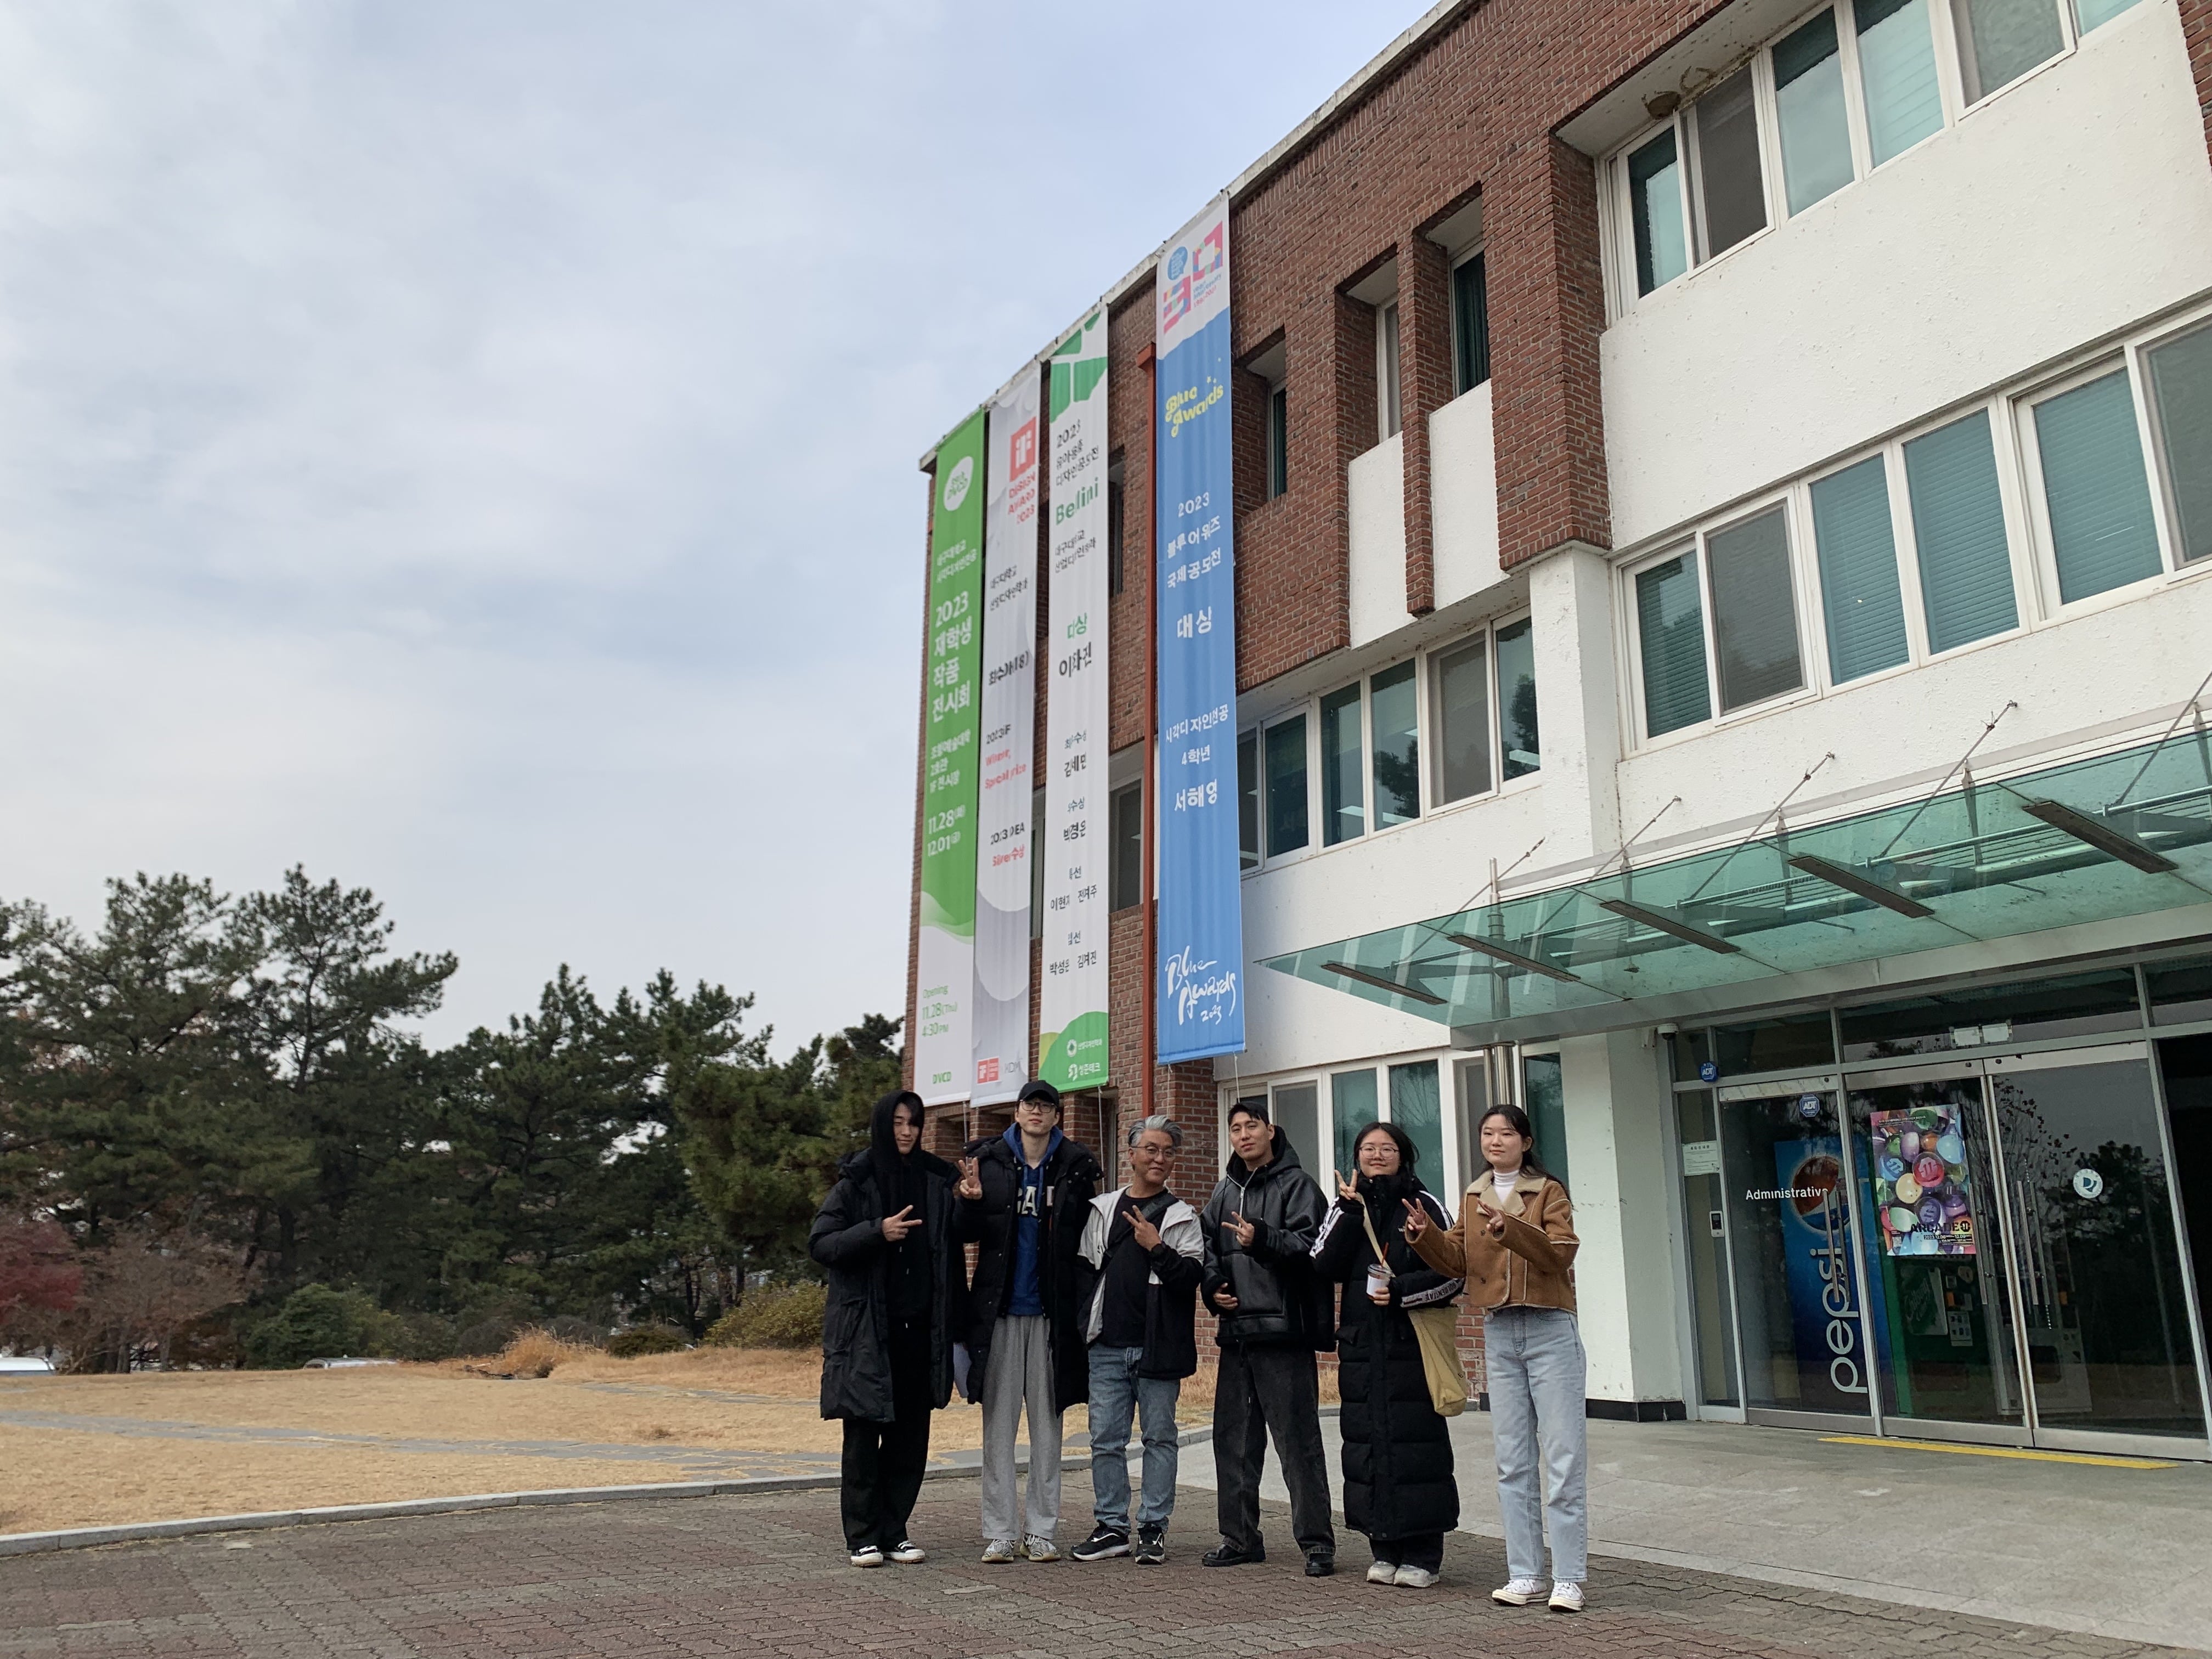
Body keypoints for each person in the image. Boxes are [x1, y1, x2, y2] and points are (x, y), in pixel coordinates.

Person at [1403, 1101, 1586, 1613]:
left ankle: (1569, 1577)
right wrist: (1425, 1235)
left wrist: (1511, 1228)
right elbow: (1457, 1260)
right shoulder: (1474, 1194)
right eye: (1488, 1134)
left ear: (1526, 1142)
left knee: (1564, 1459)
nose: (1495, 1142)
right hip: (1500, 1331)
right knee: (1512, 1461)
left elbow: (1561, 1252)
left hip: (1550, 1327)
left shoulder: (1548, 1191)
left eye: (1506, 1134)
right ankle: (1525, 1573)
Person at [808, 1089, 964, 1568]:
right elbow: (822, 1243)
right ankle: (862, 1536)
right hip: (867, 1334)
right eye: (898, 1122)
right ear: (882, 1125)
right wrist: (877, 1231)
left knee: (910, 1439)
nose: (906, 1132)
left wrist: (973, 1202)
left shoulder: (937, 1179)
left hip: (921, 1331)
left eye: (913, 1123)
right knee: (863, 1437)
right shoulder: (856, 1181)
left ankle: (895, 1531)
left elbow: (962, 1236)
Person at [953, 1078, 1103, 1564]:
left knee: (1048, 1428)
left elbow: (1088, 1244)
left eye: (1046, 1105)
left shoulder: (1076, 1167)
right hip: (998, 1313)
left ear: (1057, 1115)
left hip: (1051, 1317)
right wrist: (968, 1200)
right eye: (1028, 1104)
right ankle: (1000, 1531)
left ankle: (1041, 1530)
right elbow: (963, 1233)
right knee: (998, 1428)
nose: (1036, 1112)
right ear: (1016, 1112)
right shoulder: (988, 1161)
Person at [1310, 1120, 1462, 1589]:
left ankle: (1424, 1554)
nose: (1377, 1155)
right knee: (1366, 1446)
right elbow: (1321, 1265)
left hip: (1411, 1347)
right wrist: (1347, 1212)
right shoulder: (1346, 1206)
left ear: (1404, 1156)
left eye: (1387, 1148)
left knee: (1417, 1447)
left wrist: (1400, 1292)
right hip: (1361, 1348)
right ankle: (1383, 1546)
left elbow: (1455, 1272)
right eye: (1368, 1148)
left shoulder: (1424, 1203)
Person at [1198, 1099, 1336, 1576]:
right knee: (1233, 1443)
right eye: (1235, 1128)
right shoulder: (1223, 1191)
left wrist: (1263, 1239)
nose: (1243, 1135)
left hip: (1284, 1332)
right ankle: (1239, 1538)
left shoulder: (1299, 1186)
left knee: (1298, 1443)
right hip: (1236, 1333)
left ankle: (1317, 1544)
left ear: (1271, 1130)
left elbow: (1314, 1247)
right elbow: (1207, 1249)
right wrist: (1213, 1288)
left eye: (1251, 1126)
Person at [1069, 1115, 1203, 1566]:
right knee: (1105, 1440)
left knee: (1160, 1438)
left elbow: (1190, 1279)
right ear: (1130, 1155)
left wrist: (1156, 1246)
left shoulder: (1183, 1215)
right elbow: (1084, 1271)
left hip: (1158, 1347)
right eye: (1151, 1149)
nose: (1159, 1158)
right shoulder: (1103, 1209)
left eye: (1167, 1152)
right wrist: (1087, 1326)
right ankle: (1111, 1528)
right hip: (1107, 1346)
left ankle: (1153, 1529)